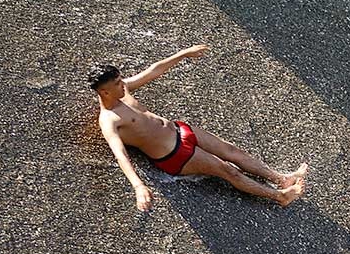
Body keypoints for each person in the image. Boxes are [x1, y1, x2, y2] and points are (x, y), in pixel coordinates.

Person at [89, 45, 307, 212]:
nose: (123, 84)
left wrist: (183, 54)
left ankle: (280, 178)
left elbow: (152, 71)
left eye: (120, 79)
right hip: (174, 154)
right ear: (105, 92)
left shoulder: (122, 90)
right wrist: (138, 186)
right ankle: (280, 196)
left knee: (233, 152)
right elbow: (121, 156)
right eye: (117, 83)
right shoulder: (109, 119)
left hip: (180, 130)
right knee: (227, 170)